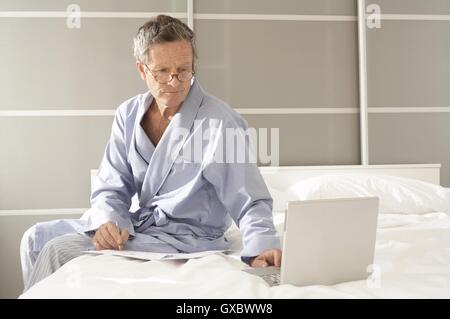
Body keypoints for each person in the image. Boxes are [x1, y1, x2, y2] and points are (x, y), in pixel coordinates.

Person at [20, 15, 281, 291]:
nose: (175, 81)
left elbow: (250, 200)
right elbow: (112, 186)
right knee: (35, 238)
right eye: (162, 71)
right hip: (139, 227)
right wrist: (109, 222)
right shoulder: (128, 114)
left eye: (184, 69)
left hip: (189, 238)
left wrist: (262, 246)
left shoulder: (220, 121)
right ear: (142, 70)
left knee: (58, 250)